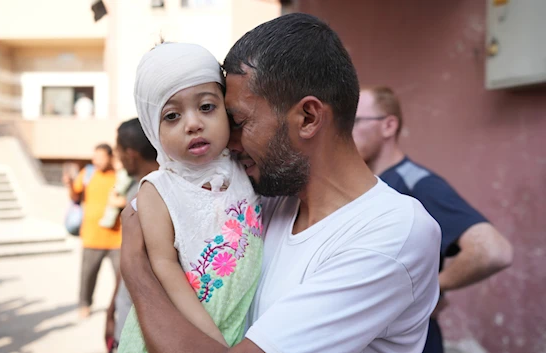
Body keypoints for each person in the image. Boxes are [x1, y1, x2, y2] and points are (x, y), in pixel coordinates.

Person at [119, 13, 441, 353]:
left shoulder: (391, 234)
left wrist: (138, 272)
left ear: (307, 118)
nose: (228, 142)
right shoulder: (263, 202)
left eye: (238, 122)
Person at [117, 42, 264, 352]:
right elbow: (165, 269)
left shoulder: (243, 168)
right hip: (185, 334)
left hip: (240, 327)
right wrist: (214, 342)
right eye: (172, 116)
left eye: (207, 107)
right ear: (152, 129)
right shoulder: (157, 190)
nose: (193, 123)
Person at [352, 86, 514, 353]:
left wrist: (430, 289)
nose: (345, 130)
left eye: (355, 121)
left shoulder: (418, 183)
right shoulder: (369, 186)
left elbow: (493, 251)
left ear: (388, 126)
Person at [104, 118, 158, 352]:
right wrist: (111, 307)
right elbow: (127, 258)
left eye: (118, 152)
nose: (118, 158)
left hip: (140, 327)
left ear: (131, 154)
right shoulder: (138, 190)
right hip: (128, 314)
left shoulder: (149, 195)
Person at [63, 143, 121, 319]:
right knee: (87, 275)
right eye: (95, 157)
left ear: (110, 157)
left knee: (122, 277)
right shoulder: (87, 174)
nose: (96, 161)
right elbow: (76, 197)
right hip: (91, 235)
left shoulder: (119, 176)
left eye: (101, 157)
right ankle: (84, 304)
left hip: (117, 237)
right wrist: (69, 185)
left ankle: (119, 306)